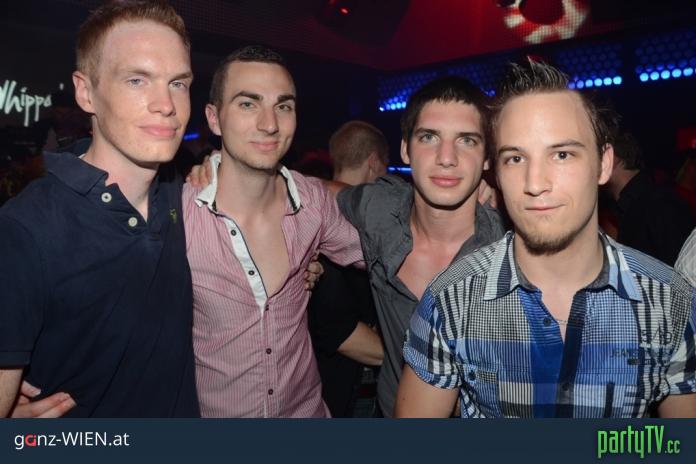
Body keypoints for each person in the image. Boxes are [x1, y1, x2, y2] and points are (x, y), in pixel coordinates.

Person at [397, 59, 696, 418]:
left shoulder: (672, 303)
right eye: (515, 158)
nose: (535, 183)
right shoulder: (449, 301)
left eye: (562, 154)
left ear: (604, 163)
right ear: (496, 173)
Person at [0, 0, 199, 417]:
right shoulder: (26, 229)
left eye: (178, 83)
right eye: (137, 80)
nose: (166, 104)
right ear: (86, 92)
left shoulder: (182, 194)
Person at [182, 46, 364, 417]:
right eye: (248, 104)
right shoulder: (180, 215)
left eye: (283, 106)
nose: (270, 124)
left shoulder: (313, 203)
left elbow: (392, 253)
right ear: (214, 118)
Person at [335, 77, 505, 416]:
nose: (446, 158)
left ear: (487, 157)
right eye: (429, 137)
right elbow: (310, 191)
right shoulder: (378, 208)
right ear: (405, 149)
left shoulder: (510, 249)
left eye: (467, 140)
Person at [307, 121, 387, 417]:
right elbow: (339, 331)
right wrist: (418, 362)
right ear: (374, 163)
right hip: (341, 393)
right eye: (385, 166)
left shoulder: (313, 207)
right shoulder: (329, 220)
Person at [605, 132, 695, 265]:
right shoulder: (629, 209)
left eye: (596, 157)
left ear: (611, 158)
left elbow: (687, 271)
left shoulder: (660, 205)